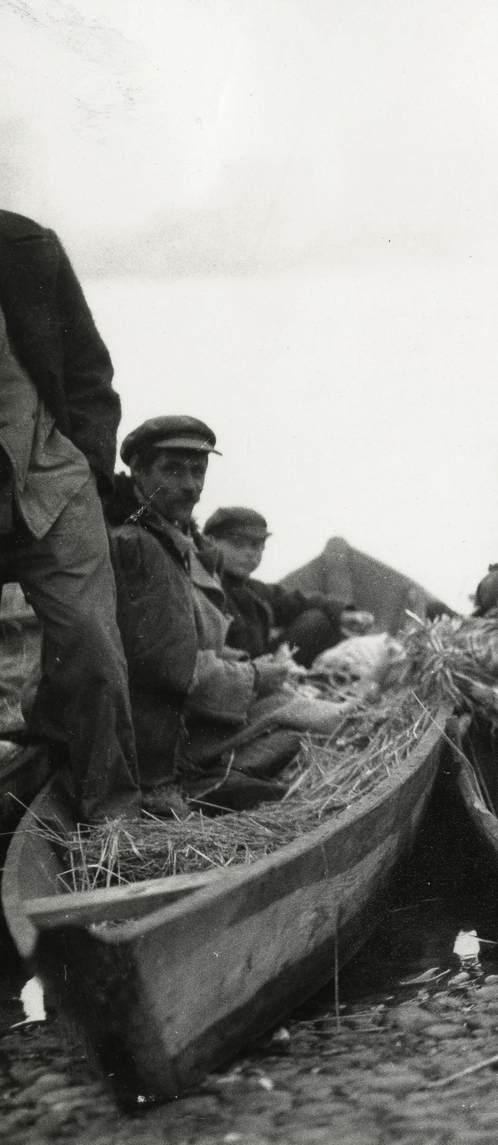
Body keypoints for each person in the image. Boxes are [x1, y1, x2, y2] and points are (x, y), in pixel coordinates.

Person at [0, 210, 140, 820]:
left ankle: (111, 815)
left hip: (52, 480)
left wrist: (91, 466)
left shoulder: (27, 247)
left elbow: (87, 368)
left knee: (92, 649)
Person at [110, 417, 298, 815]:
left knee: (291, 719)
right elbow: (165, 667)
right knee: (298, 722)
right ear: (139, 471)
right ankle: (197, 787)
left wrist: (242, 664)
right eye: (173, 469)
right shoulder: (137, 545)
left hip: (179, 712)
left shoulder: (177, 541)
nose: (191, 485)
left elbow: (188, 643)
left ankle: (218, 783)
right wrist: (256, 677)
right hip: (152, 734)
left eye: (198, 471)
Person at [202, 507, 370, 667]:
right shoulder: (203, 586)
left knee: (319, 619)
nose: (249, 552)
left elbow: (297, 601)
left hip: (263, 667)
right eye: (237, 543)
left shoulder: (253, 590)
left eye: (256, 545)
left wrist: (342, 613)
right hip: (231, 673)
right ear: (209, 541)